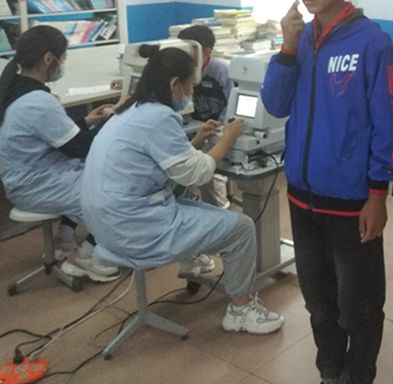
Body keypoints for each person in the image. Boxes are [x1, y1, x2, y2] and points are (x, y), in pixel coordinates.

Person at [261, 0, 393, 384]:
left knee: (358, 305)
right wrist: (287, 47)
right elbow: (275, 104)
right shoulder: (300, 39)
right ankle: (330, 373)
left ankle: (359, 376)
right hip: (302, 198)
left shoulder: (371, 42)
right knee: (319, 303)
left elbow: (388, 122)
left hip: (350, 201)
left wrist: (378, 193)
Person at [81, 45, 284, 335]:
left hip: (104, 222)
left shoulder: (129, 110)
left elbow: (164, 162)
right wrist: (227, 138)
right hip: (133, 226)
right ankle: (241, 310)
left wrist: (197, 141)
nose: (190, 93)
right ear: (175, 83)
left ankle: (194, 258)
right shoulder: (159, 117)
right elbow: (198, 172)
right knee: (241, 228)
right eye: (190, 86)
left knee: (189, 198)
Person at [0, 25, 119, 282]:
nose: (62, 65)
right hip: (36, 184)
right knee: (116, 192)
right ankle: (86, 258)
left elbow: (50, 133)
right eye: (62, 59)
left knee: (87, 170)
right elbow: (80, 147)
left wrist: (86, 121)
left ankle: (64, 240)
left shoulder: (15, 88)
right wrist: (116, 120)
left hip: (26, 176)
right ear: (48, 59)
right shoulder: (38, 101)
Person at [177, 24, 233, 211]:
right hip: (192, 130)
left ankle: (219, 209)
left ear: (206, 52)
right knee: (185, 172)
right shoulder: (182, 73)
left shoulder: (221, 71)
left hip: (217, 130)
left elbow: (232, 107)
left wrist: (220, 128)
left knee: (210, 174)